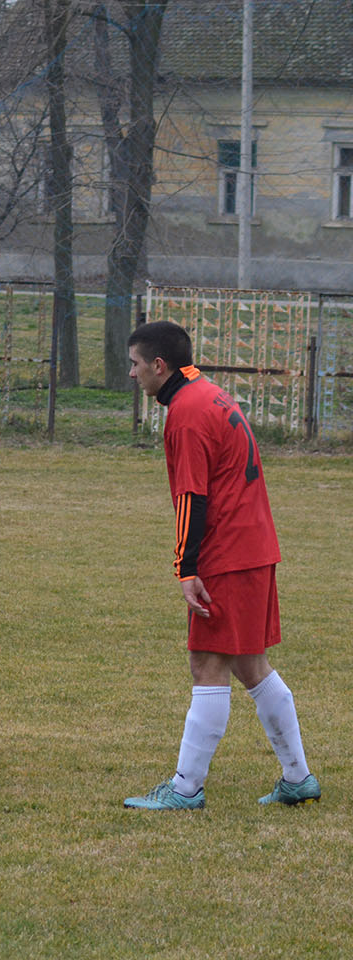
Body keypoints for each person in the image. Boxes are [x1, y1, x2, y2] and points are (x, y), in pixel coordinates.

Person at [122, 321, 320, 810]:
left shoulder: (185, 412)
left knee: (207, 664)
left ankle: (186, 788)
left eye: (135, 364)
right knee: (251, 665)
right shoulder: (209, 392)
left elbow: (193, 497)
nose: (132, 374)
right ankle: (298, 778)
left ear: (159, 366)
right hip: (254, 546)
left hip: (228, 555)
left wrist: (186, 568)